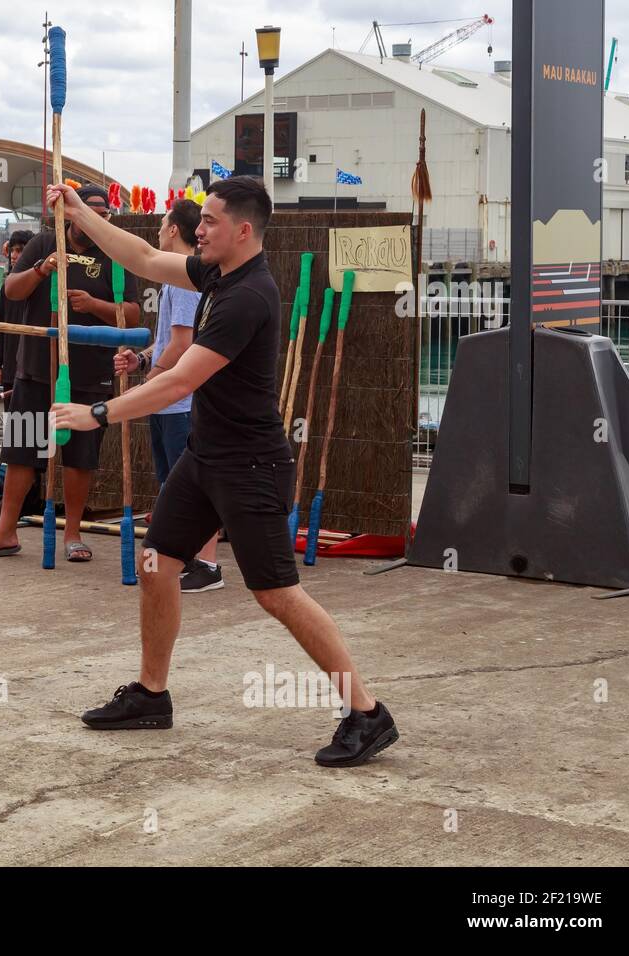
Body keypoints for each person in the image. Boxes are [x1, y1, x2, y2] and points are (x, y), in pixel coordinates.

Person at [48, 175, 399, 767]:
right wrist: (80, 213)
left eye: (209, 222)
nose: (199, 229)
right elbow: (142, 255)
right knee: (158, 564)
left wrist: (97, 413)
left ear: (241, 231)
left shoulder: (248, 297)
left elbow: (180, 380)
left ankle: (366, 713)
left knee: (277, 593)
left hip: (251, 465)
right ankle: (151, 695)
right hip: (207, 456)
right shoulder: (216, 273)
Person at [0, 184, 139, 561]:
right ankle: (5, 532)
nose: (93, 218)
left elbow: (134, 314)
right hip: (36, 369)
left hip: (90, 373)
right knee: (23, 451)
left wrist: (95, 305)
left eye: (101, 213)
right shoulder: (44, 243)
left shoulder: (114, 252)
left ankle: (72, 534)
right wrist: (42, 270)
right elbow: (11, 290)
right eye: (85, 210)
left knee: (80, 456)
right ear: (71, 212)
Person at [114, 200, 223, 594]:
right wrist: (142, 361)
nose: (158, 229)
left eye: (162, 223)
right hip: (168, 400)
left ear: (174, 229)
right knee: (171, 484)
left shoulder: (185, 281)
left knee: (191, 485)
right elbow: (165, 344)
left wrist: (152, 383)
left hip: (180, 403)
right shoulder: (172, 280)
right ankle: (185, 557)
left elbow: (183, 344)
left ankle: (208, 564)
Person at [0, 229, 34, 410]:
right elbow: (1, 328)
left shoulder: (40, 286)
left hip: (32, 368)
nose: (14, 255)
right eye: (12, 250)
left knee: (33, 426)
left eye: (21, 250)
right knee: (12, 427)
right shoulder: (6, 288)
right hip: (10, 366)